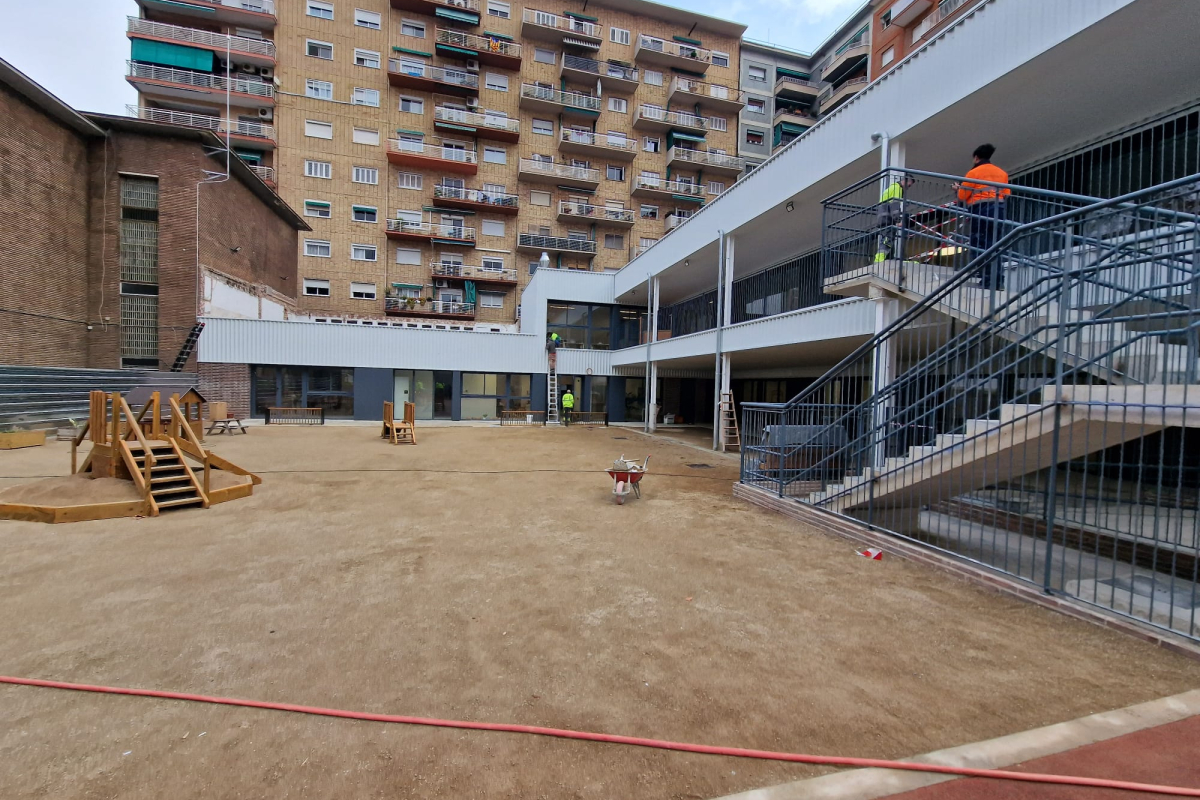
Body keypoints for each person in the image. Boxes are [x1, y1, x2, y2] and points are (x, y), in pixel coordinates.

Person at [956, 143, 1012, 289]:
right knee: (995, 246)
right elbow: (1006, 194)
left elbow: (963, 195)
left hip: (980, 210)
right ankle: (998, 280)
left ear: (976, 158)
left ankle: (987, 279)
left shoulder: (973, 173)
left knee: (979, 244)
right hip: (998, 210)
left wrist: (958, 189)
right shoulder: (1002, 173)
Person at [874, 175, 916, 263]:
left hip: (884, 219)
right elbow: (895, 207)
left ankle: (885, 260)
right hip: (887, 220)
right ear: (905, 181)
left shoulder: (893, 188)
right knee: (887, 241)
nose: (908, 188)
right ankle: (879, 261)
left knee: (888, 240)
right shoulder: (897, 189)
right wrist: (898, 221)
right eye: (909, 185)